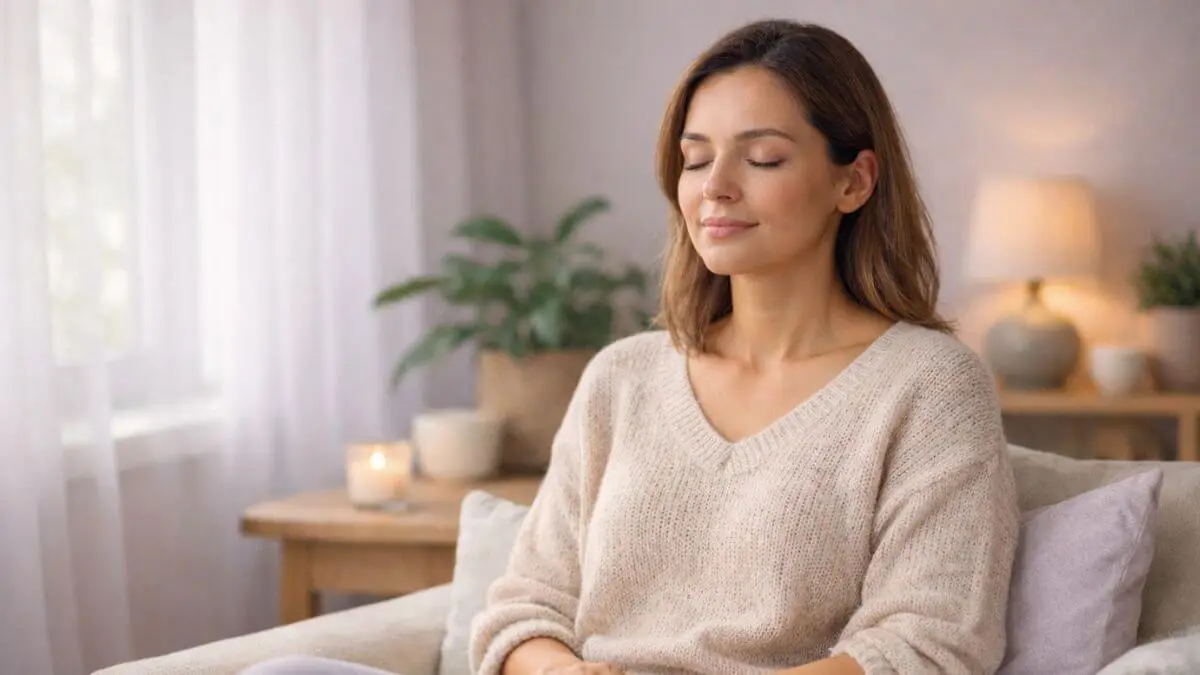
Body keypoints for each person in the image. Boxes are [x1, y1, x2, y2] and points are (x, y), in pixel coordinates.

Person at [242, 17, 1018, 675]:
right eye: (695, 157)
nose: (714, 187)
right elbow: (525, 604)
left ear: (854, 182)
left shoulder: (929, 384)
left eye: (763, 157)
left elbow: (927, 641)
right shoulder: (623, 376)